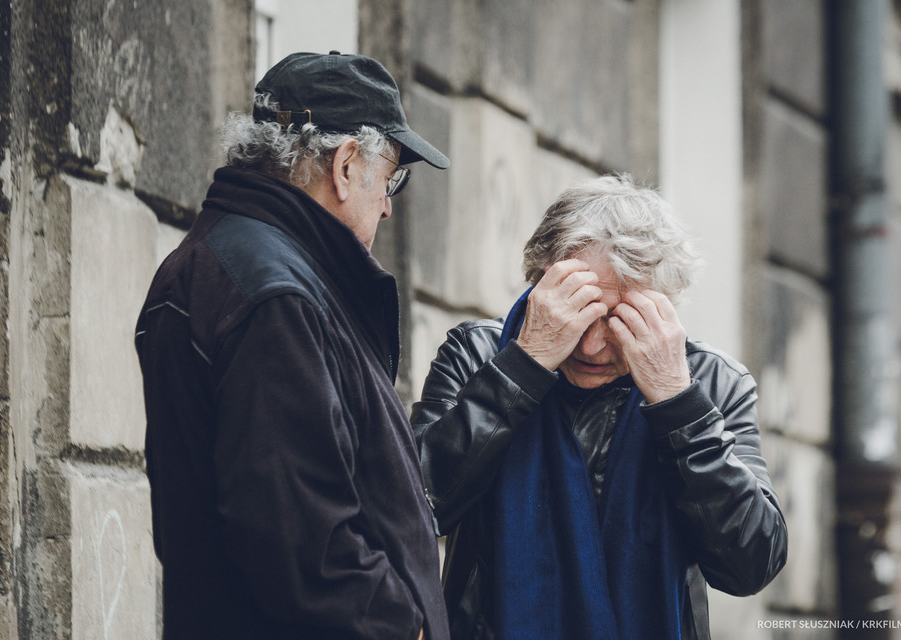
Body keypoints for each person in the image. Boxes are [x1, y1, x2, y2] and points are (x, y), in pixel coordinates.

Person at [135, 52, 449, 640]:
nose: (386, 203)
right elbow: (302, 541)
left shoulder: (225, 263)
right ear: (347, 165)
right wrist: (404, 628)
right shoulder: (276, 295)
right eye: (391, 179)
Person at [411, 174, 788, 640]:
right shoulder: (480, 356)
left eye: (616, 319)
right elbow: (414, 509)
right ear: (542, 287)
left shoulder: (710, 382)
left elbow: (750, 565)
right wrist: (524, 365)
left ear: (662, 305)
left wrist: (676, 402)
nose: (591, 346)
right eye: (579, 311)